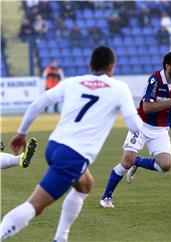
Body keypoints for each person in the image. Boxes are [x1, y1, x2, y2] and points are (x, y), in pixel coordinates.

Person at [1, 46, 142, 242]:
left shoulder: (73, 82)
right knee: (35, 206)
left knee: (85, 184)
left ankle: (61, 237)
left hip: (54, 146)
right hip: (73, 155)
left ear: (90, 64)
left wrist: (21, 133)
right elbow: (134, 124)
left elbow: (37, 104)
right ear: (112, 67)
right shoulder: (119, 88)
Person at [99, 51, 171, 208]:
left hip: (160, 129)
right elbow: (146, 107)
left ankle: (138, 162)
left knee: (165, 166)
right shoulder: (155, 80)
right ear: (168, 66)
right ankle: (106, 198)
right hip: (141, 124)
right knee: (126, 161)